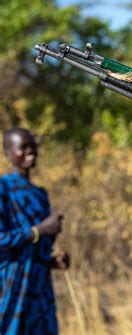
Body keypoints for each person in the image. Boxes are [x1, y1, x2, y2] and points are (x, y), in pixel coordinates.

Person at [0, 127, 69, 335]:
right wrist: (40, 229)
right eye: (23, 147)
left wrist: (52, 261)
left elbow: (37, 248)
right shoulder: (2, 188)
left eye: (33, 146)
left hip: (39, 289)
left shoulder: (40, 195)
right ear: (8, 153)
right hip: (10, 286)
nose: (31, 151)